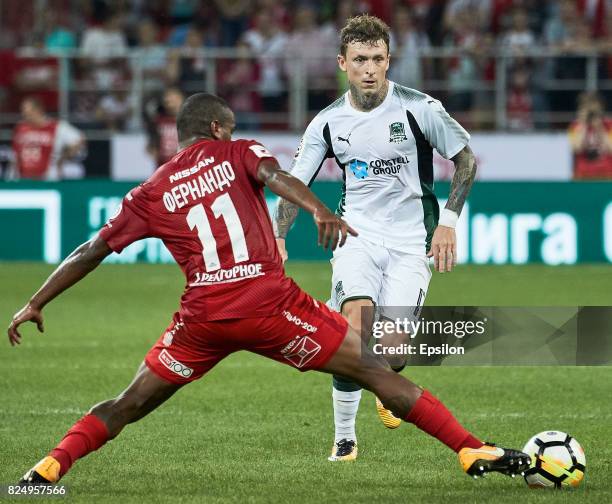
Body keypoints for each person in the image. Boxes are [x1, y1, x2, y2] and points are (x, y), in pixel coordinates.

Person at [9, 93, 529, 485]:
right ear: (217, 127)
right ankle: (469, 448)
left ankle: (44, 472)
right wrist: (320, 209)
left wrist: (36, 301)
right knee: (375, 366)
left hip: (203, 320)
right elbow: (275, 175)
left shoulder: (151, 190)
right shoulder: (237, 152)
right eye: (230, 126)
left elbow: (90, 250)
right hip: (270, 305)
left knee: (127, 404)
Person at [274, 15, 478, 461]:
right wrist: (278, 236)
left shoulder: (420, 108)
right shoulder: (327, 122)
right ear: (342, 63)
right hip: (357, 238)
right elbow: (295, 182)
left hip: (410, 243)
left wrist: (449, 222)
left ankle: (385, 383)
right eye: (360, 59)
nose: (370, 68)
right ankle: (345, 437)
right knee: (354, 332)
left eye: (378, 59)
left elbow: (466, 160)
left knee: (394, 353)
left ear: (389, 61)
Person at [12, 97, 85, 180]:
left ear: (38, 110)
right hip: (24, 177)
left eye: (28, 112)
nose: (24, 115)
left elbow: (79, 138)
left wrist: (63, 157)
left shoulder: (56, 127)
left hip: (48, 177)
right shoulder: (20, 128)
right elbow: (16, 153)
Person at [569, 92, 612, 179]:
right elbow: (576, 148)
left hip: (606, 174)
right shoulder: (575, 126)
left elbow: (610, 148)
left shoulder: (609, 125)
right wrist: (583, 125)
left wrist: (600, 127)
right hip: (583, 174)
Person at [145, 87, 185, 166]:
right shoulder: (158, 121)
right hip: (163, 165)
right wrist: (152, 148)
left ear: (180, 98)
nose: (168, 100)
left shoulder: (189, 120)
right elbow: (152, 143)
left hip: (183, 165)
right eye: (166, 97)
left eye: (172, 97)